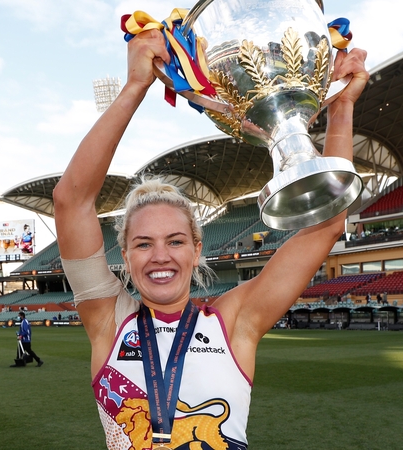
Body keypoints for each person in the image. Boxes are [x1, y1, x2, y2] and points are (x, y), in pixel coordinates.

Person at [52, 26, 367, 449]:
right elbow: (71, 202)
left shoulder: (234, 320)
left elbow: (327, 224)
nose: (160, 256)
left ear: (197, 249)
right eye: (143, 244)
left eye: (176, 240)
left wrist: (342, 105)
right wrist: (134, 87)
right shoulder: (108, 320)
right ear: (124, 255)